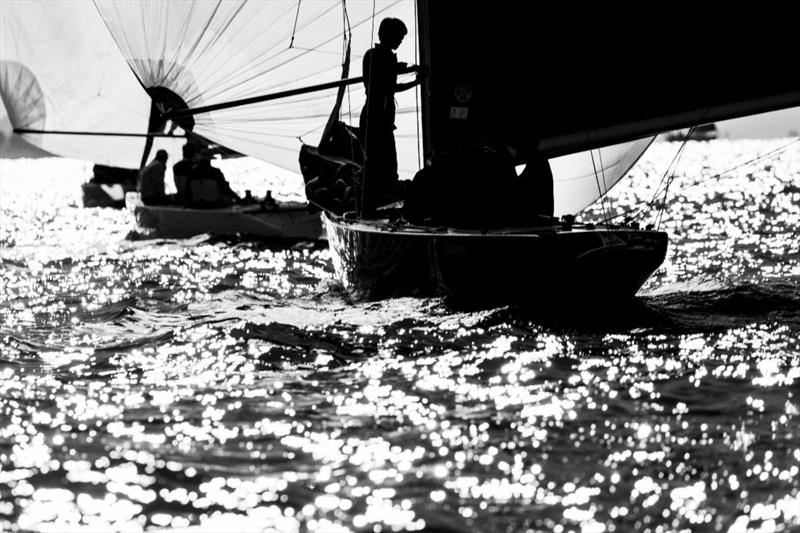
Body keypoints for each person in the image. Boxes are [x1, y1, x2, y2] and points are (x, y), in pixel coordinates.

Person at [359, 17, 421, 216]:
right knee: (380, 166)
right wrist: (418, 81)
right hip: (374, 120)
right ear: (388, 36)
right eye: (399, 38)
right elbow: (391, 86)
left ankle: (375, 206)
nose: (401, 42)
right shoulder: (378, 57)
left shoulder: (379, 55)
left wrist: (411, 69)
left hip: (381, 120)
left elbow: (395, 67)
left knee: (385, 166)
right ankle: (370, 209)